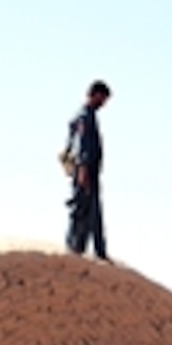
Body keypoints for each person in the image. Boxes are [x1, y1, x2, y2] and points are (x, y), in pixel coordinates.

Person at [65, 80, 111, 261]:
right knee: (82, 210)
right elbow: (81, 145)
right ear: (94, 95)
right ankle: (76, 248)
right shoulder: (85, 117)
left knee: (91, 211)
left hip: (88, 171)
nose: (104, 103)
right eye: (102, 98)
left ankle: (92, 250)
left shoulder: (85, 116)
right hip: (85, 171)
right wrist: (83, 168)